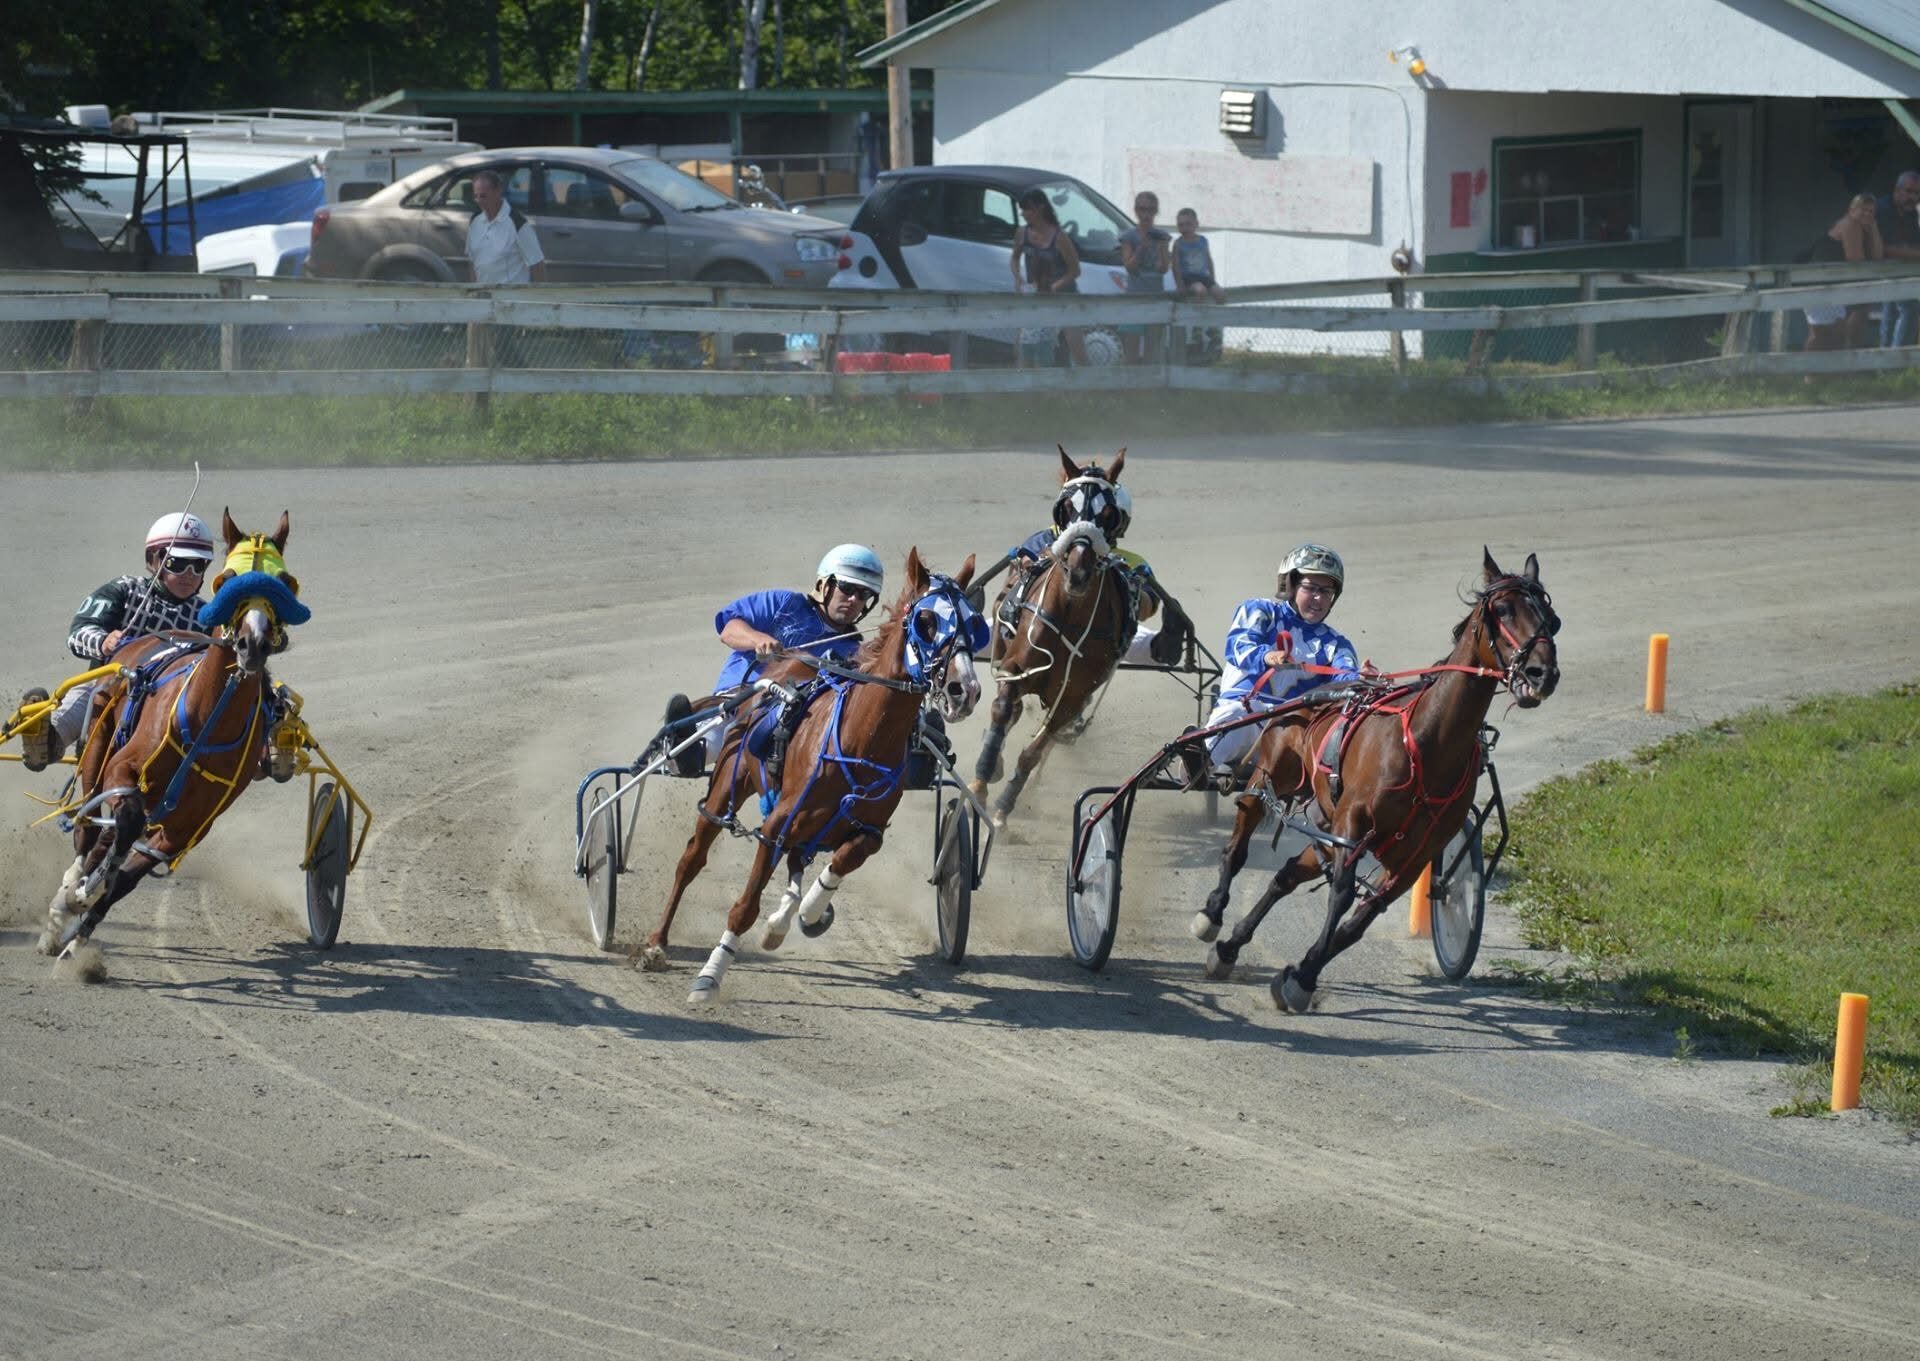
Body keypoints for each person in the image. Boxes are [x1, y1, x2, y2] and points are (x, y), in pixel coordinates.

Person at [657, 544, 886, 777]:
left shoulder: (853, 650)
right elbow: (728, 630)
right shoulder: (782, 604)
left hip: (794, 725)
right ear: (823, 585)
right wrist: (758, 639)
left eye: (864, 594)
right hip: (739, 705)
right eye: (847, 588)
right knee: (714, 742)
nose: (854, 599)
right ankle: (681, 750)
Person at [20, 512, 216, 771]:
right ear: (152, 560)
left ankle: (260, 752)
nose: (189, 574)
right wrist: (103, 642)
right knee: (88, 693)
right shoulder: (125, 590)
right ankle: (46, 742)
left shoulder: (208, 616)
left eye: (198, 565)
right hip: (109, 686)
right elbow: (79, 630)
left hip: (173, 702)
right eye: (177, 563)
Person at [1187, 543, 1362, 784]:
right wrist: (1267, 656)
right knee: (1237, 716)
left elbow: (1345, 679)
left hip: (1292, 733)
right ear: (1290, 586)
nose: (1319, 598)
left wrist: (1360, 680)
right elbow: (1238, 646)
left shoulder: (1338, 644)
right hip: (1246, 715)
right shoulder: (1260, 611)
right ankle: (1197, 765)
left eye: (1327, 592)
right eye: (1311, 588)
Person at [1011, 188, 1089, 367]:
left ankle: (1087, 387)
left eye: (1027, 209)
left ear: (1040, 208)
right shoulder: (1022, 233)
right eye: (1022, 209)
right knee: (1023, 345)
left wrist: (1055, 287)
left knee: (1076, 345)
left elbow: (1075, 270)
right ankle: (1025, 386)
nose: (1023, 214)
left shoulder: (1059, 237)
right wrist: (1018, 278)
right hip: (1036, 297)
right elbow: (1014, 258)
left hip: (1065, 296)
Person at [1802, 194, 1883, 352]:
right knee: (1820, 334)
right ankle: (1808, 373)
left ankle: (1832, 373)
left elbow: (1878, 256)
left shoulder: (1863, 227)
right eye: (1863, 210)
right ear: (1851, 210)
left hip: (1833, 285)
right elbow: (1856, 260)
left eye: (1871, 211)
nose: (1867, 214)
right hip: (1819, 283)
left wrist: (1873, 228)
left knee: (1836, 334)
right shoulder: (1850, 225)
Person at [1119, 191, 1171, 365]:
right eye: (1142, 209)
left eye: (1150, 210)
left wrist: (1161, 249)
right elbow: (1129, 266)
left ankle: (1151, 385)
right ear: (1135, 210)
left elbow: (1164, 268)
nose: (1146, 214)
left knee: (1153, 346)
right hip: (1134, 296)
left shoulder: (1162, 236)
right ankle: (1129, 384)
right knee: (1131, 346)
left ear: (1156, 211)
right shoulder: (1128, 236)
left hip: (1156, 296)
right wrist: (1141, 248)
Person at [1171, 207, 1226, 361]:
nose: (1184, 228)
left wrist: (1213, 280)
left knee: (1219, 294)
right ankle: (1197, 327)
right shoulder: (1178, 244)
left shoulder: (1203, 240)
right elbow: (1175, 266)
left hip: (1204, 275)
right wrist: (1180, 285)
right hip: (1189, 278)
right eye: (1181, 225)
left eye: (1188, 224)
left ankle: (1214, 327)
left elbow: (1208, 260)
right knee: (1199, 291)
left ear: (1196, 224)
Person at [1876, 171, 1920, 348]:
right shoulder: (1883, 209)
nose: (1913, 197)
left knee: (1892, 311)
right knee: (1908, 309)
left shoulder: (1913, 212)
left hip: (1902, 269)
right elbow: (1883, 248)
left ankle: (1886, 366)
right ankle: (1896, 364)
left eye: (1917, 193)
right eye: (1909, 191)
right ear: (1897, 190)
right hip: (1867, 268)